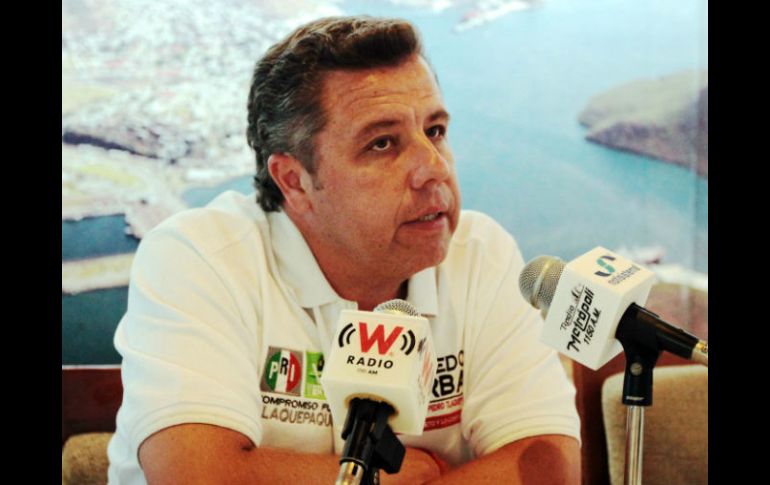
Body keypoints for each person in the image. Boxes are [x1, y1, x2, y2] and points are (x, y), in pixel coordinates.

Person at [107, 16, 581, 485]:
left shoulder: (481, 255)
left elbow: (547, 465)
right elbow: (200, 476)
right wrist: (398, 476)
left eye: (435, 131)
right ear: (294, 181)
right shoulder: (199, 258)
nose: (433, 168)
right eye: (382, 143)